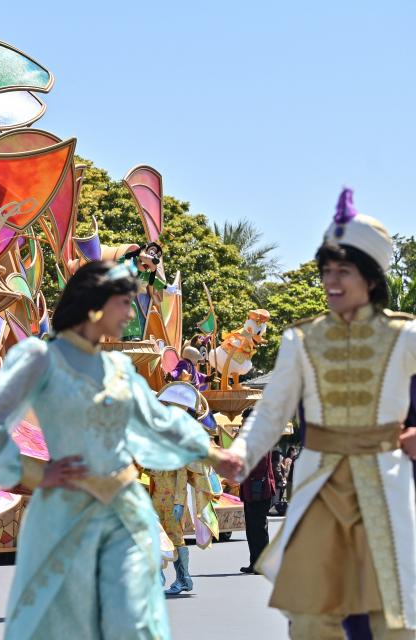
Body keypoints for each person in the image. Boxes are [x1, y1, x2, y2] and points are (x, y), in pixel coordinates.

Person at [0, 260, 235, 640]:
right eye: (123, 303)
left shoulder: (118, 370)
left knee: (132, 621)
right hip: (66, 511)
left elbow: (158, 423)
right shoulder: (40, 360)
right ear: (94, 304)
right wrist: (36, 473)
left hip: (124, 510)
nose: (130, 313)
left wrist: (219, 457)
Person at [216, 189, 416, 639]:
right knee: (310, 620)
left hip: (384, 484)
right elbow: (270, 412)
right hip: (318, 487)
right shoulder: (300, 341)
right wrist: (240, 455)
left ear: (371, 277)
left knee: (393, 619)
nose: (332, 281)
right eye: (327, 271)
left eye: (344, 271)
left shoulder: (406, 337)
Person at [147, 382, 223, 595]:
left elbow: (181, 478)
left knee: (175, 537)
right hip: (156, 498)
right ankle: (157, 575)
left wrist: (180, 503)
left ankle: (184, 578)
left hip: (172, 500)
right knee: (153, 534)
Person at [240, 448, 276, 574]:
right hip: (251, 490)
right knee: (251, 529)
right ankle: (254, 562)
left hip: (259, 490)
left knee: (259, 528)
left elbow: (261, 464)